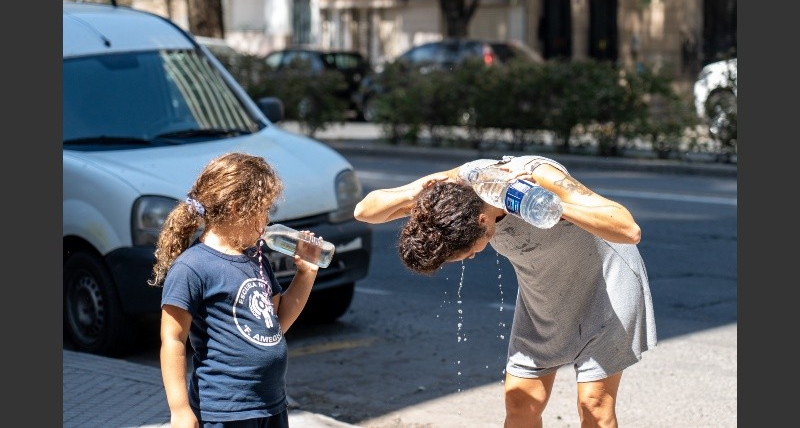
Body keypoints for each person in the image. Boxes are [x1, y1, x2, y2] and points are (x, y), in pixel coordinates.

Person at [353, 155, 657, 428]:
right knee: (520, 402)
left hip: (605, 284)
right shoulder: (457, 191)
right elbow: (364, 211)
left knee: (594, 404)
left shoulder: (537, 176)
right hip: (543, 294)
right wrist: (420, 190)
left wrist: (550, 205)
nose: (471, 257)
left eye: (467, 252)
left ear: (483, 221)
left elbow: (629, 230)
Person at [149, 152, 323, 428]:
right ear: (236, 208)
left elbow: (277, 324)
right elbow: (172, 339)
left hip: (270, 403)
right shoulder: (192, 267)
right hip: (225, 411)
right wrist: (180, 409)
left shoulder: (256, 258)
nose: (266, 220)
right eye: (263, 209)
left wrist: (306, 274)